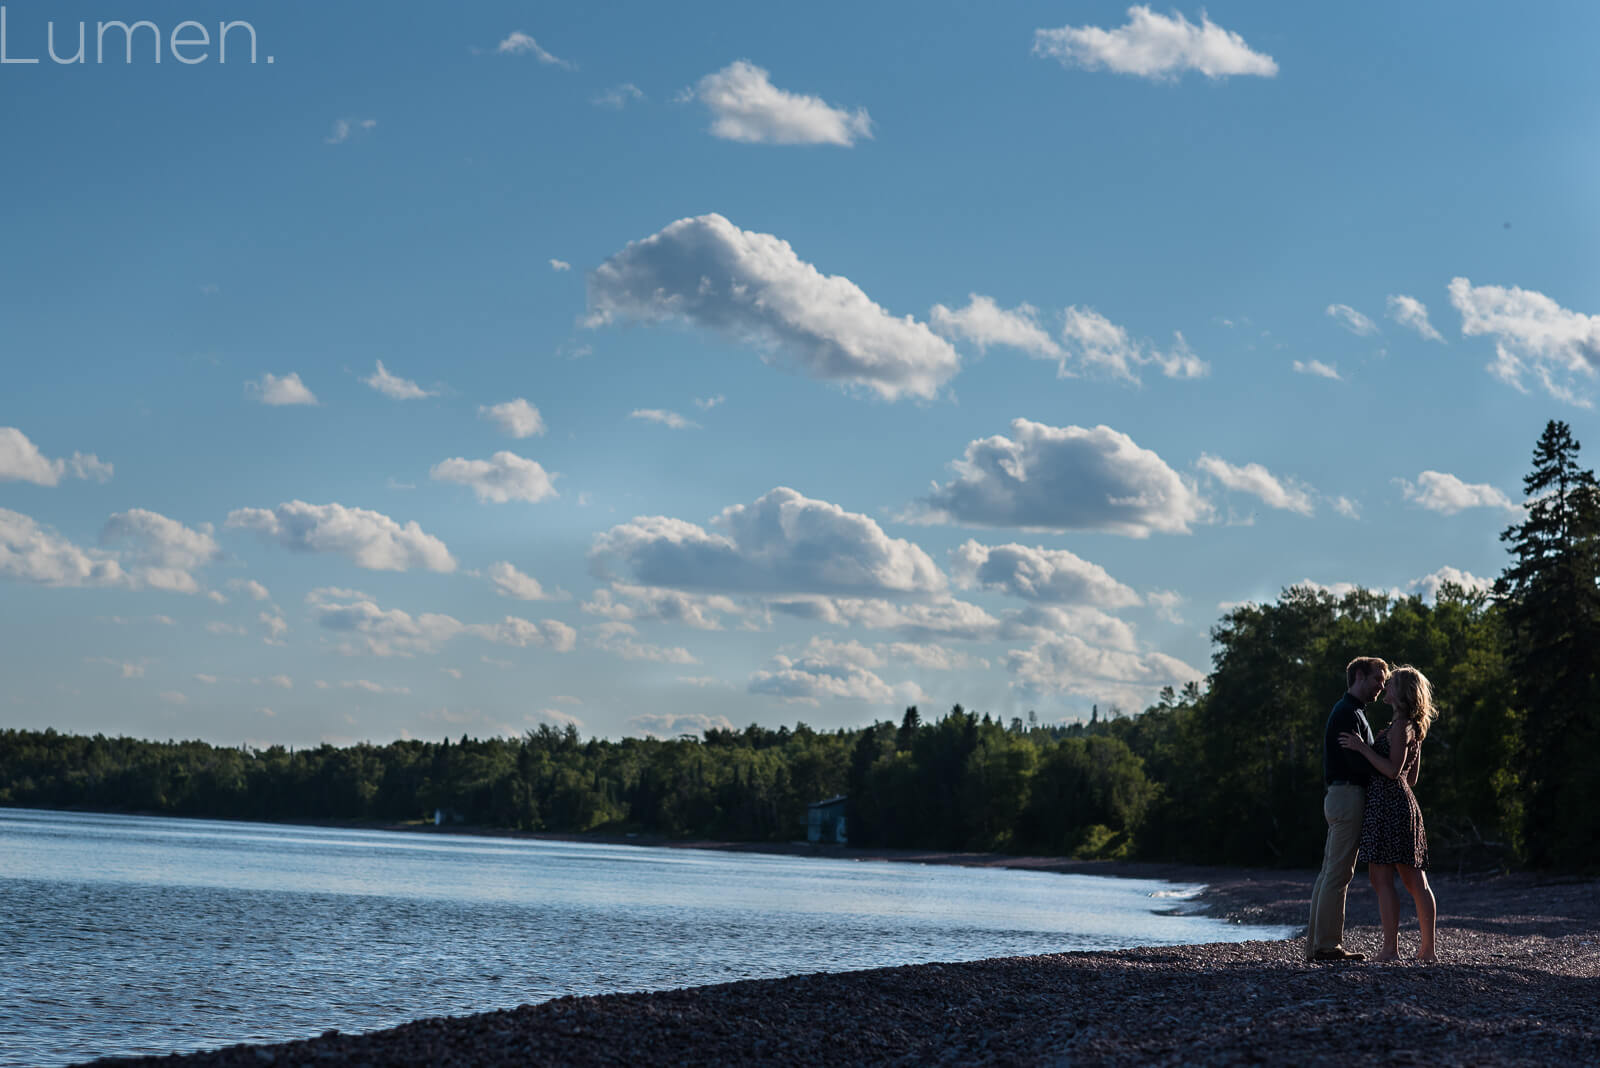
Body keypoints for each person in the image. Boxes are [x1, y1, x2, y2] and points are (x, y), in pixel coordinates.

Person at [1339, 665, 1438, 962]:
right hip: (1397, 804)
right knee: (1410, 880)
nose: (1385, 687)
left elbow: (1395, 771)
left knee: (1390, 880)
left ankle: (1394, 950)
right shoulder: (1410, 727)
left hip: (1390, 806)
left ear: (1403, 692)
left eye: (1391, 683)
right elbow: (1412, 778)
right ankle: (1424, 950)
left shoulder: (1401, 727)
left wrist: (1362, 748)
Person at [1304, 656, 1388, 963]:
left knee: (1330, 872)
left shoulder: (1353, 713)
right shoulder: (1348, 714)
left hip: (1341, 796)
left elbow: (1358, 758)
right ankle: (1327, 946)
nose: (1382, 685)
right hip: (1348, 796)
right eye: (1378, 678)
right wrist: (1380, 758)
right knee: (1338, 873)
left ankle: (1316, 945)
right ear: (1359, 676)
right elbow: (1355, 764)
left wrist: (1372, 746)